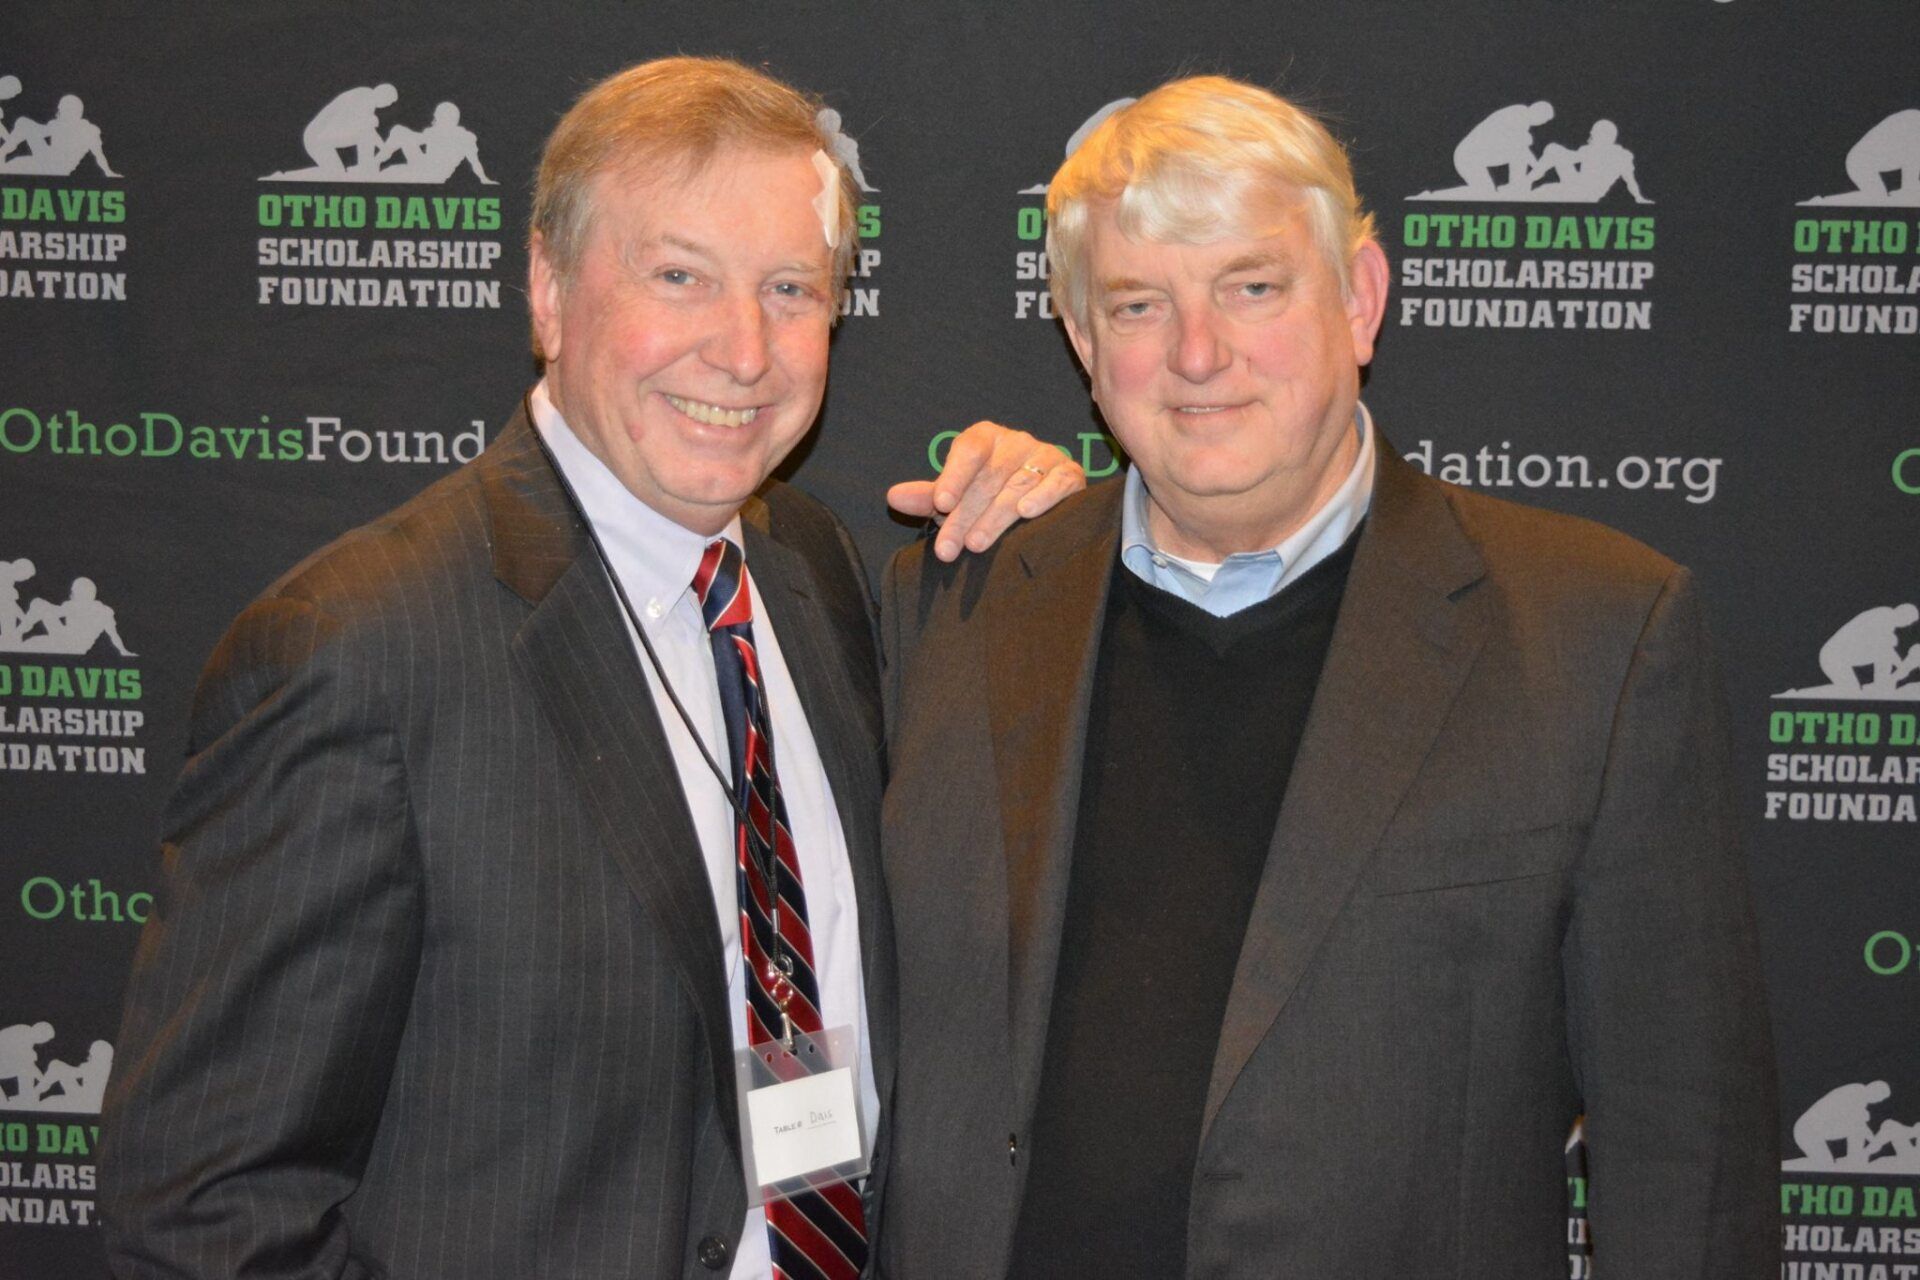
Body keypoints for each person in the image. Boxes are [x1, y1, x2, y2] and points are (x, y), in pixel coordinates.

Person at [98, 56, 1078, 1280]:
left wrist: (1065, 545)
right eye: (679, 276)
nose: (745, 350)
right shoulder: (359, 648)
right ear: (550, 293)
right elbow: (205, 1207)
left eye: (790, 288)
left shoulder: (815, 567)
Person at [879, 75, 1777, 1278]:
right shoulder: (954, 605)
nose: (1198, 353)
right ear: (1085, 344)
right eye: (1139, 304)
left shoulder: (1598, 634)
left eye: (1252, 287)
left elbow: (1687, 1160)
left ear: (1360, 298)